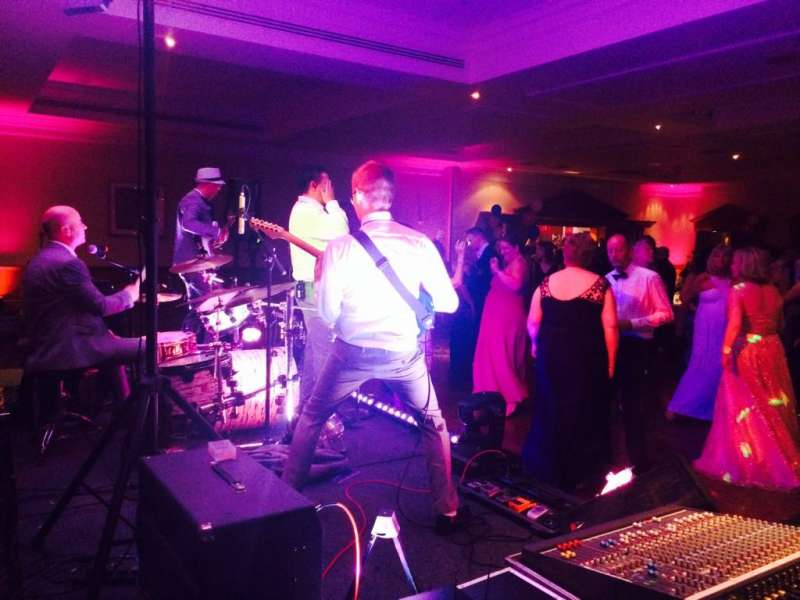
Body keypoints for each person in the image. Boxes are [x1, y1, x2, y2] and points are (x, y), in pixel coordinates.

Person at [282, 161, 465, 533]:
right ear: (390, 197)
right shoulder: (419, 242)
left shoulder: (340, 248)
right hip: (403, 355)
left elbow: (327, 314)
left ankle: (286, 504)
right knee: (434, 424)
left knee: (312, 418)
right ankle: (447, 510)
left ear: (356, 198)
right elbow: (450, 303)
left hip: (351, 353)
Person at [694, 247, 800, 490]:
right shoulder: (774, 290)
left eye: (735, 262)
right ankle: (784, 455)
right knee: (772, 402)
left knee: (746, 404)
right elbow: (779, 324)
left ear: (744, 265)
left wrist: (725, 351)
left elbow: (734, 324)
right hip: (773, 348)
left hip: (748, 350)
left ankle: (754, 459)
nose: (731, 266)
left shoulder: (738, 290)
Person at [524, 233, 618, 491]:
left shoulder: (546, 283)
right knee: (583, 409)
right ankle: (581, 471)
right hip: (586, 357)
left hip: (552, 355)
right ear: (589, 255)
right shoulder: (600, 285)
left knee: (550, 407)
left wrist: (535, 344)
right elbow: (610, 327)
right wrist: (611, 363)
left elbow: (533, 322)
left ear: (564, 254)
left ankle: (550, 466)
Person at [23, 205, 142, 399]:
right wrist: (129, 295)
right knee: (151, 349)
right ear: (66, 230)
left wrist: (101, 333)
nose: (85, 226)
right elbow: (101, 307)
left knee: (114, 346)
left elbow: (64, 310)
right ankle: (149, 413)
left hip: (47, 347)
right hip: (70, 350)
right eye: (80, 222)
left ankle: (124, 409)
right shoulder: (68, 264)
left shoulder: (37, 260)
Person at [606, 234, 674, 473]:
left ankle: (639, 461)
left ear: (629, 251)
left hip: (637, 346)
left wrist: (632, 324)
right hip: (611, 345)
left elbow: (666, 313)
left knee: (634, 404)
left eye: (618, 250)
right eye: (610, 251)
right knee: (608, 402)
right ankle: (608, 458)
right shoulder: (606, 279)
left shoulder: (649, 277)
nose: (614, 255)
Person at [287, 166, 349, 416]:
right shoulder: (306, 211)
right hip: (313, 288)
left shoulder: (309, 211)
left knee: (315, 352)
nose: (330, 188)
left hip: (312, 287)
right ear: (315, 185)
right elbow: (342, 232)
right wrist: (332, 202)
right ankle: (323, 417)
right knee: (325, 353)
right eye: (327, 184)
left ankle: (305, 412)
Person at [667, 245, 732, 421]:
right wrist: (680, 326)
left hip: (725, 327)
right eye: (717, 256)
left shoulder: (733, 281)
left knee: (719, 366)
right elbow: (684, 300)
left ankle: (712, 409)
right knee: (700, 363)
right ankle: (681, 405)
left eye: (725, 256)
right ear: (711, 258)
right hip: (705, 327)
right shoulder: (702, 278)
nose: (721, 260)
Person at [473, 232, 530, 417]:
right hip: (496, 317)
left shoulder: (520, 262)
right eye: (501, 248)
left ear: (517, 248)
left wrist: (497, 271)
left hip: (507, 318)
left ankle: (510, 397)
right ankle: (492, 392)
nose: (502, 251)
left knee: (502, 354)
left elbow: (515, 285)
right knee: (493, 353)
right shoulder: (509, 263)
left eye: (506, 248)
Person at [448, 227, 495, 384]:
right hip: (467, 305)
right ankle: (461, 375)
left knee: (467, 340)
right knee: (464, 340)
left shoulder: (487, 254)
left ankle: (464, 376)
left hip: (473, 305)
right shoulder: (471, 257)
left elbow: (480, 281)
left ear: (478, 237)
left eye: (469, 240)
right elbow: (462, 283)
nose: (468, 244)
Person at [172, 166, 228, 298]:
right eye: (217, 186)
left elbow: (198, 233)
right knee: (203, 302)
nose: (219, 189)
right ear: (208, 184)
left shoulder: (199, 201)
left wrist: (214, 241)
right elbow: (188, 223)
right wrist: (216, 232)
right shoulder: (193, 200)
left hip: (196, 261)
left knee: (206, 301)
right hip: (190, 260)